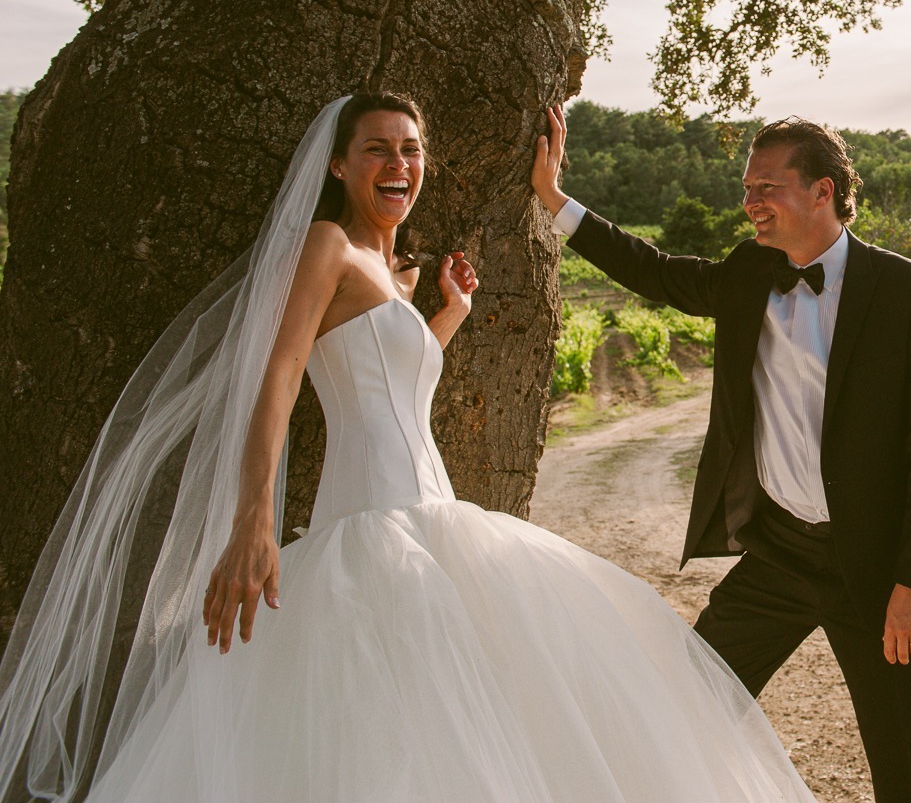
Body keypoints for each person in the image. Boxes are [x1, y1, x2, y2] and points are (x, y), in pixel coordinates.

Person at [0, 94, 817, 803]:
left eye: (412, 148)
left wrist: (448, 314)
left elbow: (393, 384)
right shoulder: (328, 246)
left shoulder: (395, 273)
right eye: (379, 148)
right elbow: (280, 375)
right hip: (367, 523)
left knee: (471, 712)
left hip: (436, 515)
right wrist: (253, 517)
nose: (400, 162)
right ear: (340, 167)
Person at [532, 104, 911, 803]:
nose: (750, 203)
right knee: (683, 700)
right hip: (780, 557)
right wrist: (558, 203)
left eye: (766, 187)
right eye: (747, 187)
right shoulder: (747, 272)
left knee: (908, 773)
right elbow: (658, 272)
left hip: (882, 571)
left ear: (823, 191)